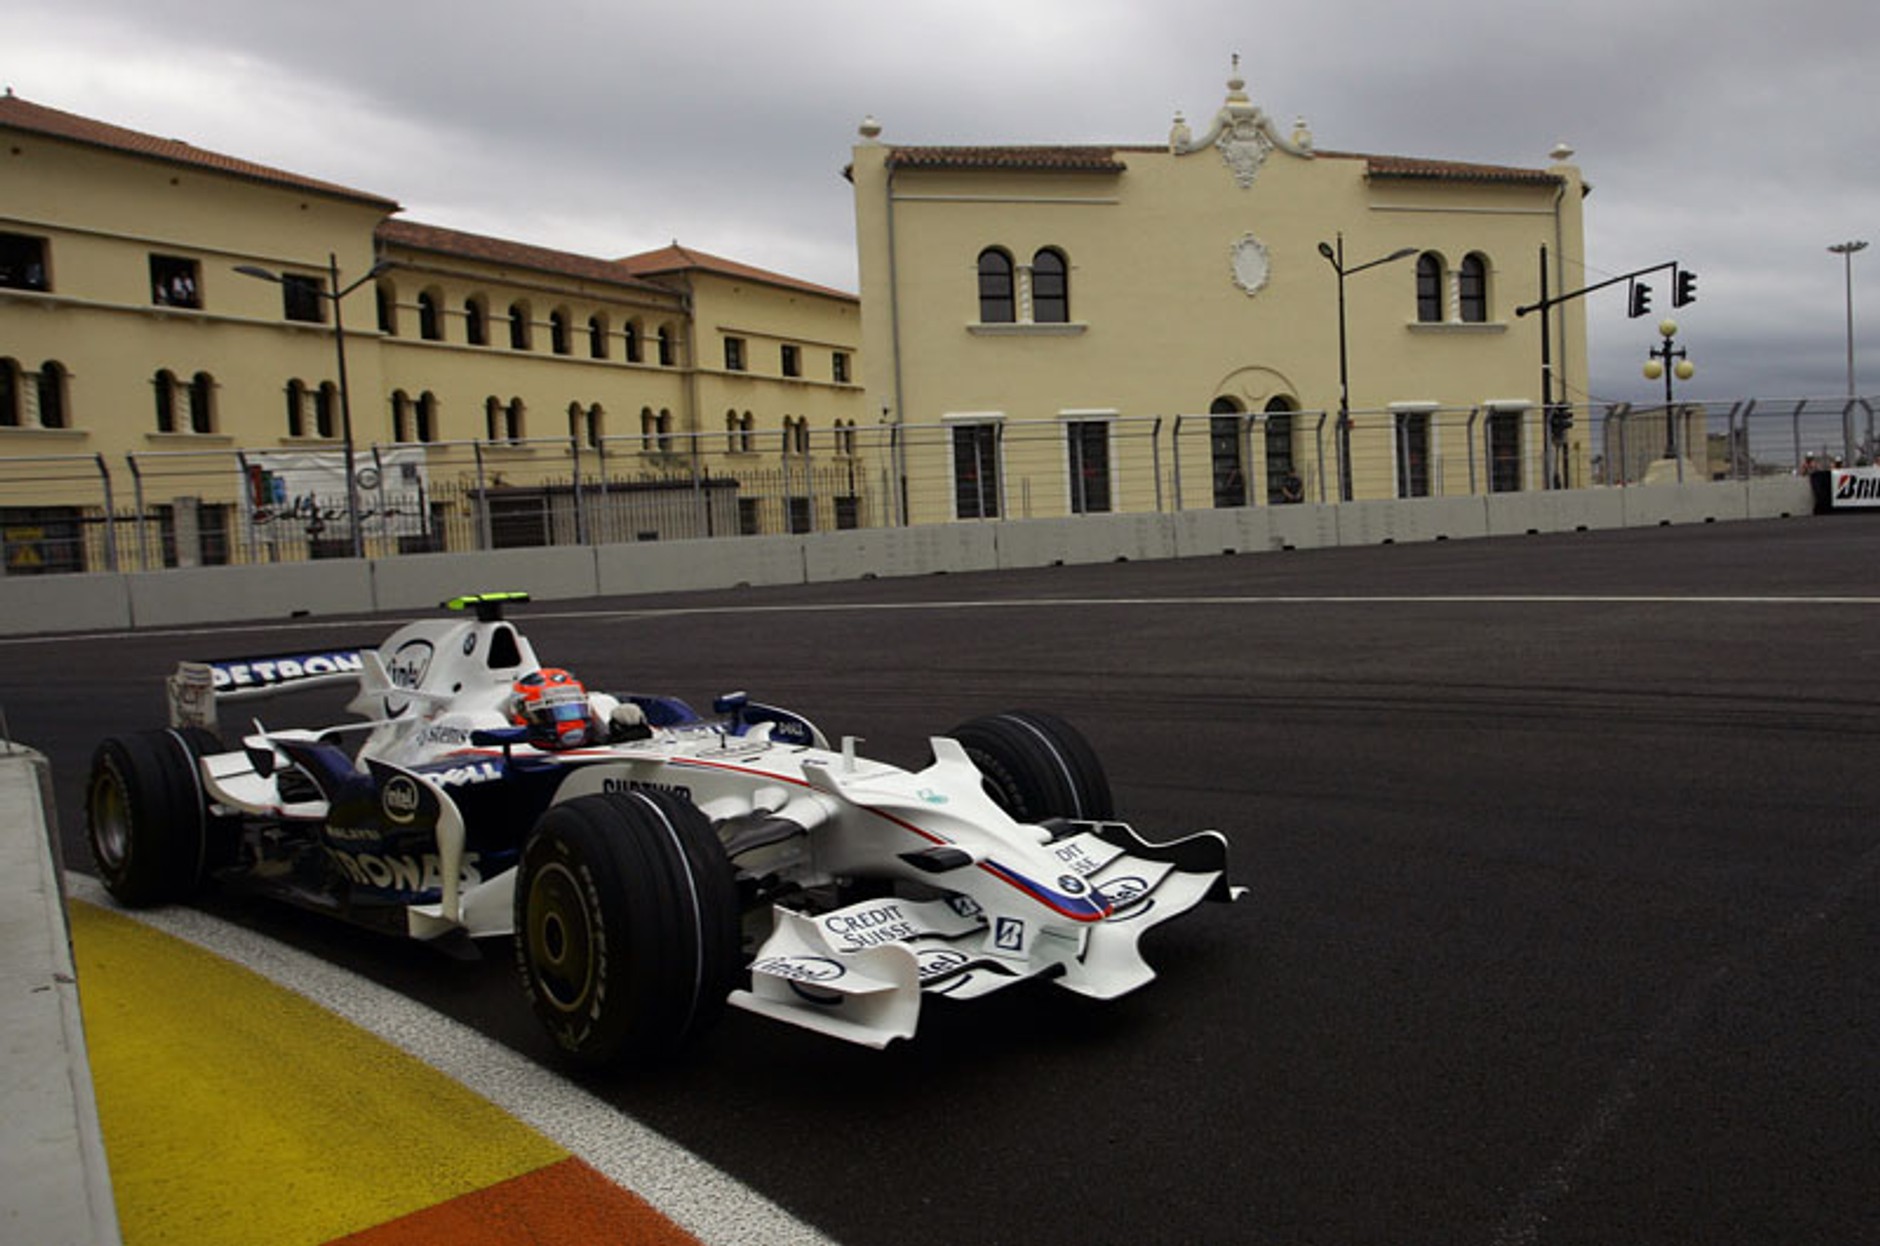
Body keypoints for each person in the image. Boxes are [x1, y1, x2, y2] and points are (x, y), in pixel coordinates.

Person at [507, 667, 646, 749]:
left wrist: (631, 736)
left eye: (575, 709)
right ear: (524, 714)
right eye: (553, 713)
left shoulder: (598, 741)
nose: (571, 722)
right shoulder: (507, 756)